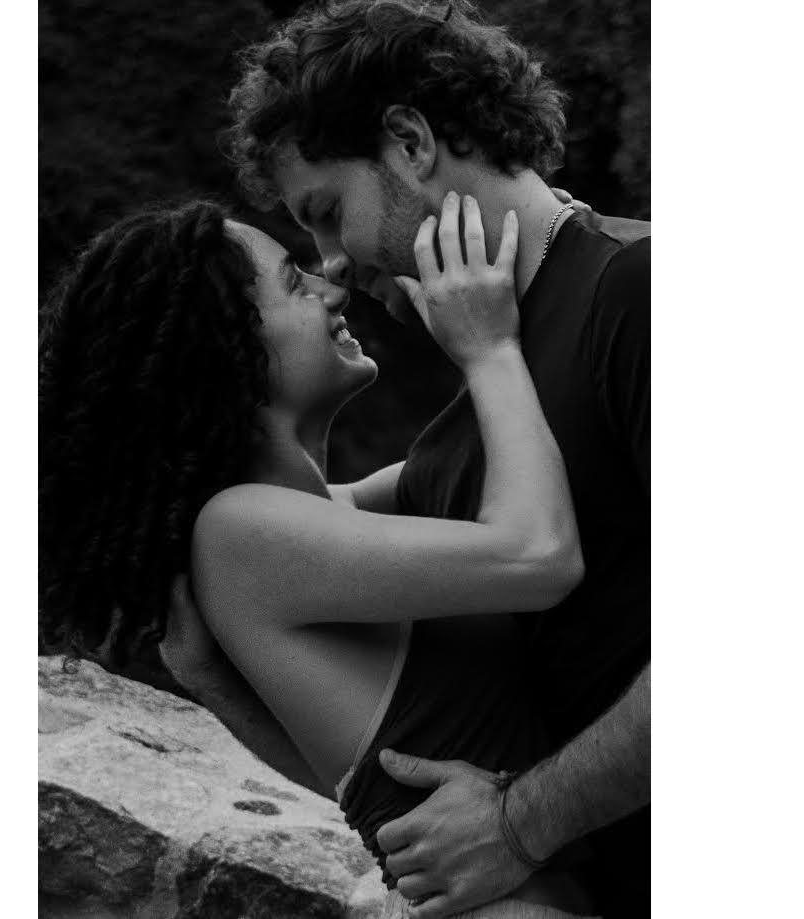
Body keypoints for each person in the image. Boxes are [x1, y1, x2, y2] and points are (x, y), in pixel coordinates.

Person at [38, 196, 600, 917]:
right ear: (226, 348)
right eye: (293, 283)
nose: (330, 288)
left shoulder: (321, 520)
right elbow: (537, 554)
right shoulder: (241, 531)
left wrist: (550, 240)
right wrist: (487, 349)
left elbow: (365, 783)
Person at [225, 1, 650, 916]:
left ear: (410, 142)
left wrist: (519, 823)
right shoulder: (483, 401)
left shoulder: (640, 291)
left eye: (327, 213)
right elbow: (297, 532)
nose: (332, 264)